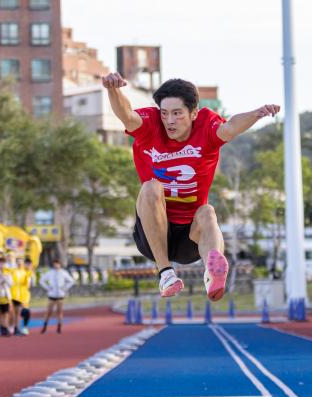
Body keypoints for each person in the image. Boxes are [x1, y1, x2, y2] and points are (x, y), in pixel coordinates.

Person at [103, 72, 279, 301]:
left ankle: (213, 272)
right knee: (151, 188)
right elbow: (126, 115)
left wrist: (256, 114)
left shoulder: (206, 126)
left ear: (193, 113)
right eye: (165, 113)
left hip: (190, 238)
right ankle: (166, 274)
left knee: (207, 212)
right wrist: (113, 90)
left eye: (177, 113)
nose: (170, 121)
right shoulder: (150, 125)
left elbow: (231, 127)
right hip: (154, 234)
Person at [39, 259, 74, 334]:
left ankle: (59, 328)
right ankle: (44, 327)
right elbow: (41, 280)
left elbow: (71, 281)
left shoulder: (63, 273)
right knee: (48, 312)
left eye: (58, 264)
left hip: (60, 295)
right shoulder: (50, 273)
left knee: (60, 312)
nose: (56, 265)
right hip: (52, 295)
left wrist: (65, 288)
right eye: (55, 264)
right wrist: (48, 287)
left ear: (60, 265)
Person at [8, 257, 30, 335]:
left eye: (21, 262)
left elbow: (27, 285)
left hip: (20, 295)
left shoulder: (25, 272)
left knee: (17, 313)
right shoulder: (12, 271)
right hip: (12, 294)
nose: (19, 264)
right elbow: (9, 282)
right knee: (11, 312)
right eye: (18, 262)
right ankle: (10, 326)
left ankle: (16, 327)